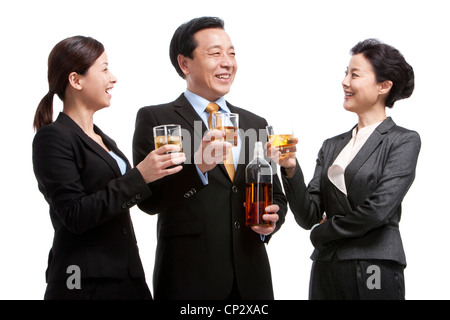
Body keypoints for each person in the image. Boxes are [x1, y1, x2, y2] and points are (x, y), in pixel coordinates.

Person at [132, 16, 287, 300]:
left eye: (231, 53)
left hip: (251, 278)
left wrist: (270, 221)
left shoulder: (255, 123)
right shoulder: (157, 119)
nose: (227, 62)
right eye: (215, 53)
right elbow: (149, 200)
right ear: (184, 63)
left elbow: (275, 194)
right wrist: (198, 167)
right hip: (189, 280)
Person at [32, 36, 186, 300]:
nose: (112, 78)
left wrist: (186, 169)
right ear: (76, 80)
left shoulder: (104, 140)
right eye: (104, 69)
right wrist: (140, 176)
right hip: (82, 282)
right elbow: (74, 214)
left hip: (127, 277)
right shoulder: (53, 137)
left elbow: (123, 198)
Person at [269, 39, 421, 299]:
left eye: (355, 74)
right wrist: (291, 169)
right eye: (345, 73)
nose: (345, 82)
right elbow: (308, 216)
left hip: (374, 263)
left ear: (383, 86)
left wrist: (324, 231)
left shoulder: (402, 140)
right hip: (327, 265)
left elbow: (378, 210)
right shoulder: (331, 146)